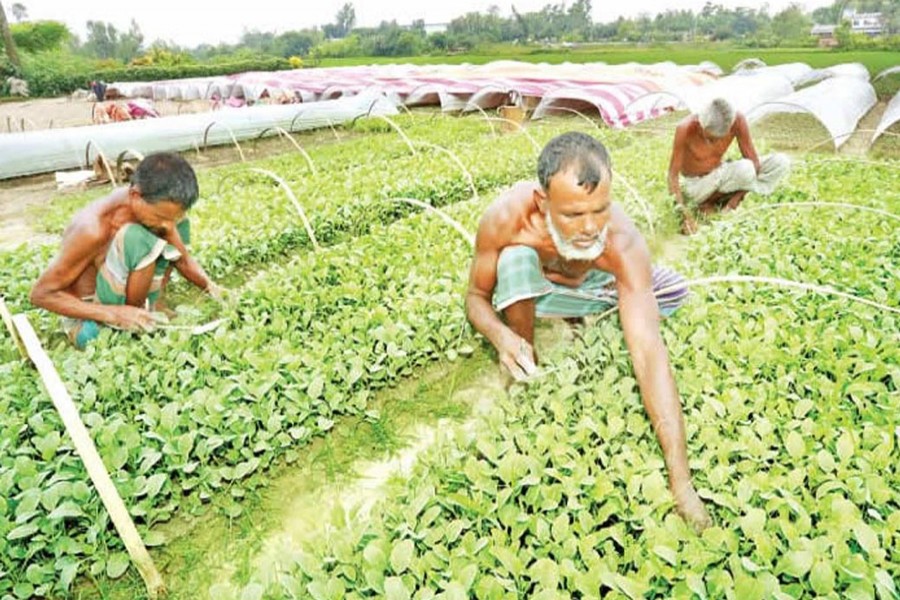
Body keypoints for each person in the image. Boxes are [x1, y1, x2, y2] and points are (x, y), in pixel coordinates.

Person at [465, 132, 711, 531]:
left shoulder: (621, 240)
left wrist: (681, 482)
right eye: (573, 215)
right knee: (514, 261)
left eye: (600, 210)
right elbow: (476, 297)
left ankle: (586, 308)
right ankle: (525, 361)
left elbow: (649, 355)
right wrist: (501, 336)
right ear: (543, 202)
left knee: (669, 291)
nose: (590, 227)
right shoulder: (505, 218)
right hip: (536, 290)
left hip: (589, 288)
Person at [30, 153, 223, 349]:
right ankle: (136, 315)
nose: (168, 225)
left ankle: (150, 307)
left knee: (178, 225)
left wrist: (215, 290)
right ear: (135, 196)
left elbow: (183, 259)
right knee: (136, 238)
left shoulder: (155, 209)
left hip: (125, 299)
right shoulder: (93, 229)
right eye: (160, 216)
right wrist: (116, 314)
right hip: (91, 321)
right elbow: (41, 294)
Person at [668, 97, 789, 235]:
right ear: (700, 124)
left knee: (779, 162)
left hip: (721, 174)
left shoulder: (738, 120)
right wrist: (684, 216)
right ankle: (707, 205)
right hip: (697, 186)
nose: (714, 143)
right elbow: (672, 176)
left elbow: (754, 163)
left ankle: (724, 203)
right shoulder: (685, 128)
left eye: (720, 138)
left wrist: (735, 200)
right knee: (745, 170)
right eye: (710, 138)